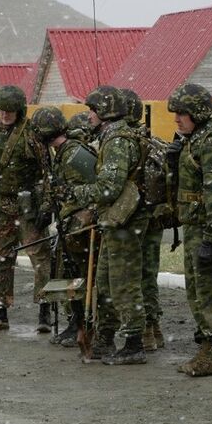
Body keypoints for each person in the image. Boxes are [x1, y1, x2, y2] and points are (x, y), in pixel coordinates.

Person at [70, 85, 149, 365]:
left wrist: (79, 193)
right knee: (105, 282)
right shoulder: (112, 136)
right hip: (115, 220)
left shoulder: (116, 140)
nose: (88, 115)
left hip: (124, 221)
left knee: (123, 282)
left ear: (105, 112)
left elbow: (109, 188)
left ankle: (134, 342)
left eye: (92, 110)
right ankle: (106, 337)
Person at [167, 84, 212, 377]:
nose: (177, 119)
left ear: (197, 113)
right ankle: (207, 346)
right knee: (196, 288)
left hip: (209, 228)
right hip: (196, 226)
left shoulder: (211, 142)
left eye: (182, 113)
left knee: (209, 289)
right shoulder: (192, 141)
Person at [0, 86, 52, 332]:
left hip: (29, 205)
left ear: (19, 111)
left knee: (41, 258)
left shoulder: (31, 134)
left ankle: (45, 310)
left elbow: (48, 170)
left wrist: (47, 205)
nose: (5, 115)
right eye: (2, 110)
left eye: (10, 111)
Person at [29, 106, 98, 347]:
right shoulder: (62, 153)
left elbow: (95, 194)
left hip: (82, 227)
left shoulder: (74, 155)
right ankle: (76, 322)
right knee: (70, 275)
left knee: (81, 276)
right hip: (70, 225)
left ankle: (85, 324)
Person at [120, 88, 166, 351]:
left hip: (133, 217)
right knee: (149, 272)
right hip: (154, 217)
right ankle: (154, 326)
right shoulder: (154, 142)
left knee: (134, 275)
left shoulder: (123, 143)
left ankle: (145, 330)